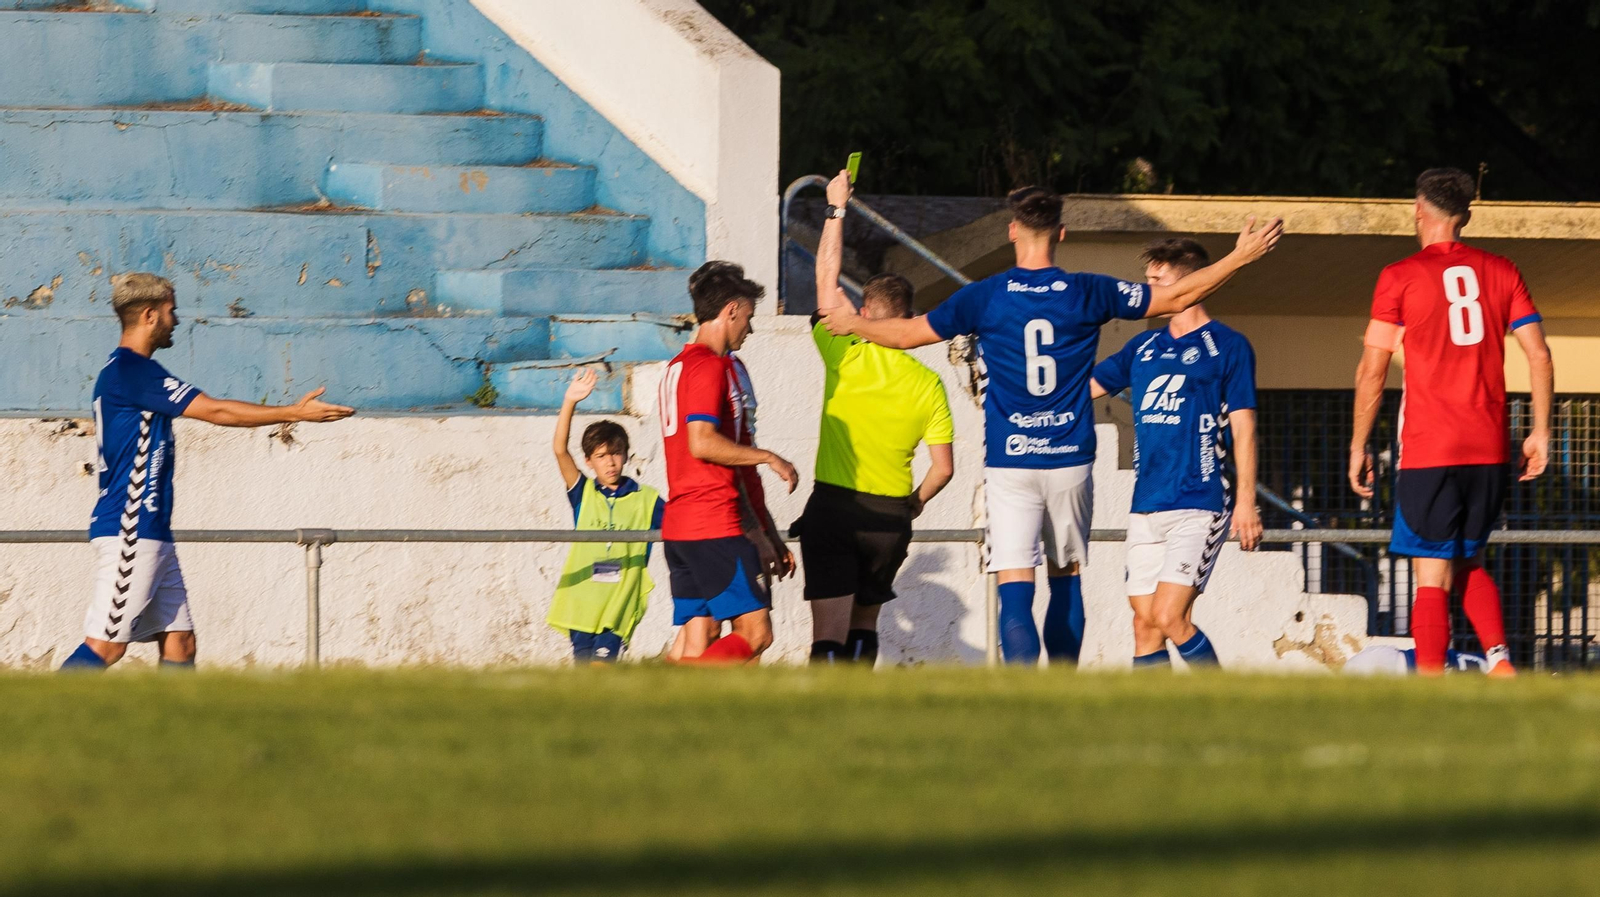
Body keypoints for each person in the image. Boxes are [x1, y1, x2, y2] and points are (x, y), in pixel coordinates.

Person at [823, 188, 1282, 666]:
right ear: (1061, 233)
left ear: (1013, 231)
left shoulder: (984, 295)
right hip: (1069, 460)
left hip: (1011, 461)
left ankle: (1027, 696)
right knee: (1067, 576)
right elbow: (1178, 295)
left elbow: (906, 333)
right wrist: (1240, 256)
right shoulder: (1089, 289)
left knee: (1015, 585)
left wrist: (853, 323)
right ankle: (1064, 684)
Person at [58, 273, 355, 672]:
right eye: (170, 311)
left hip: (152, 531)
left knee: (181, 642)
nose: (176, 320)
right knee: (106, 647)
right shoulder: (133, 371)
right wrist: (295, 413)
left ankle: (179, 735)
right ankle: (26, 731)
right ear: (149, 315)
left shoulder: (132, 371)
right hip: (131, 529)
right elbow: (216, 410)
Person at [1350, 167, 1554, 678]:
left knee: (1430, 574)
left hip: (1430, 448)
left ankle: (1431, 686)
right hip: (1487, 446)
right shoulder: (1503, 270)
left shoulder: (1398, 276)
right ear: (1467, 214)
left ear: (1418, 209)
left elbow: (1372, 370)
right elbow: (1539, 355)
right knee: (1469, 559)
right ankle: (1501, 662)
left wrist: (1358, 445)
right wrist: (1541, 431)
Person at [798, 168, 955, 665]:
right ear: (909, 318)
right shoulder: (928, 382)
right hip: (890, 516)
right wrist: (915, 503)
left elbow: (825, 278)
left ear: (863, 313)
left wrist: (837, 206)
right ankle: (859, 711)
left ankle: (822, 721)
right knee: (865, 623)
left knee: (829, 633)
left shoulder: (846, 349)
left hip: (837, 507)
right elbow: (943, 468)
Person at [1090, 239, 1262, 670]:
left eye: (1157, 280)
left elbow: (1244, 427)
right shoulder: (1142, 347)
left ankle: (1227, 714)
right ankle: (1158, 726)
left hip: (1199, 501)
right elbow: (1085, 389)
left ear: (1189, 283)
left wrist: (1245, 501)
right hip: (1147, 503)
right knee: (1144, 623)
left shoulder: (1228, 345)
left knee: (1169, 615)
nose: (1147, 289)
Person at [658, 261, 798, 664]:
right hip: (712, 524)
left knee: (695, 641)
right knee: (755, 634)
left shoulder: (677, 367)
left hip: (681, 527)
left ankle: (643, 717)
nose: (749, 330)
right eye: (749, 318)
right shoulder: (710, 366)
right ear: (732, 309)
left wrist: (764, 532)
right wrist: (769, 456)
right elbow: (703, 443)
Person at [547, 368, 665, 664]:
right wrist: (569, 402)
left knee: (602, 668)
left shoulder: (648, 499)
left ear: (626, 455)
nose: (610, 462)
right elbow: (560, 450)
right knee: (584, 677)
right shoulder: (583, 493)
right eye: (601, 456)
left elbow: (684, 524)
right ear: (589, 461)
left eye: (616, 453)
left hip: (619, 603)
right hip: (582, 602)